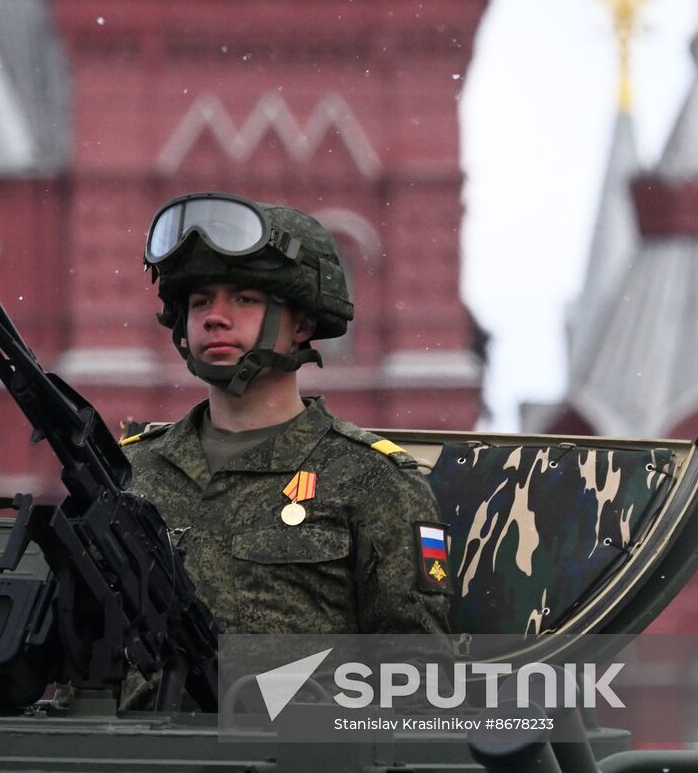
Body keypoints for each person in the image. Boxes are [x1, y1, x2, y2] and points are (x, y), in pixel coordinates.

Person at [121, 191, 452, 638]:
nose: (215, 318)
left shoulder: (375, 481)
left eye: (244, 299)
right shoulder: (129, 473)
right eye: (200, 302)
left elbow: (415, 677)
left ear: (302, 324)